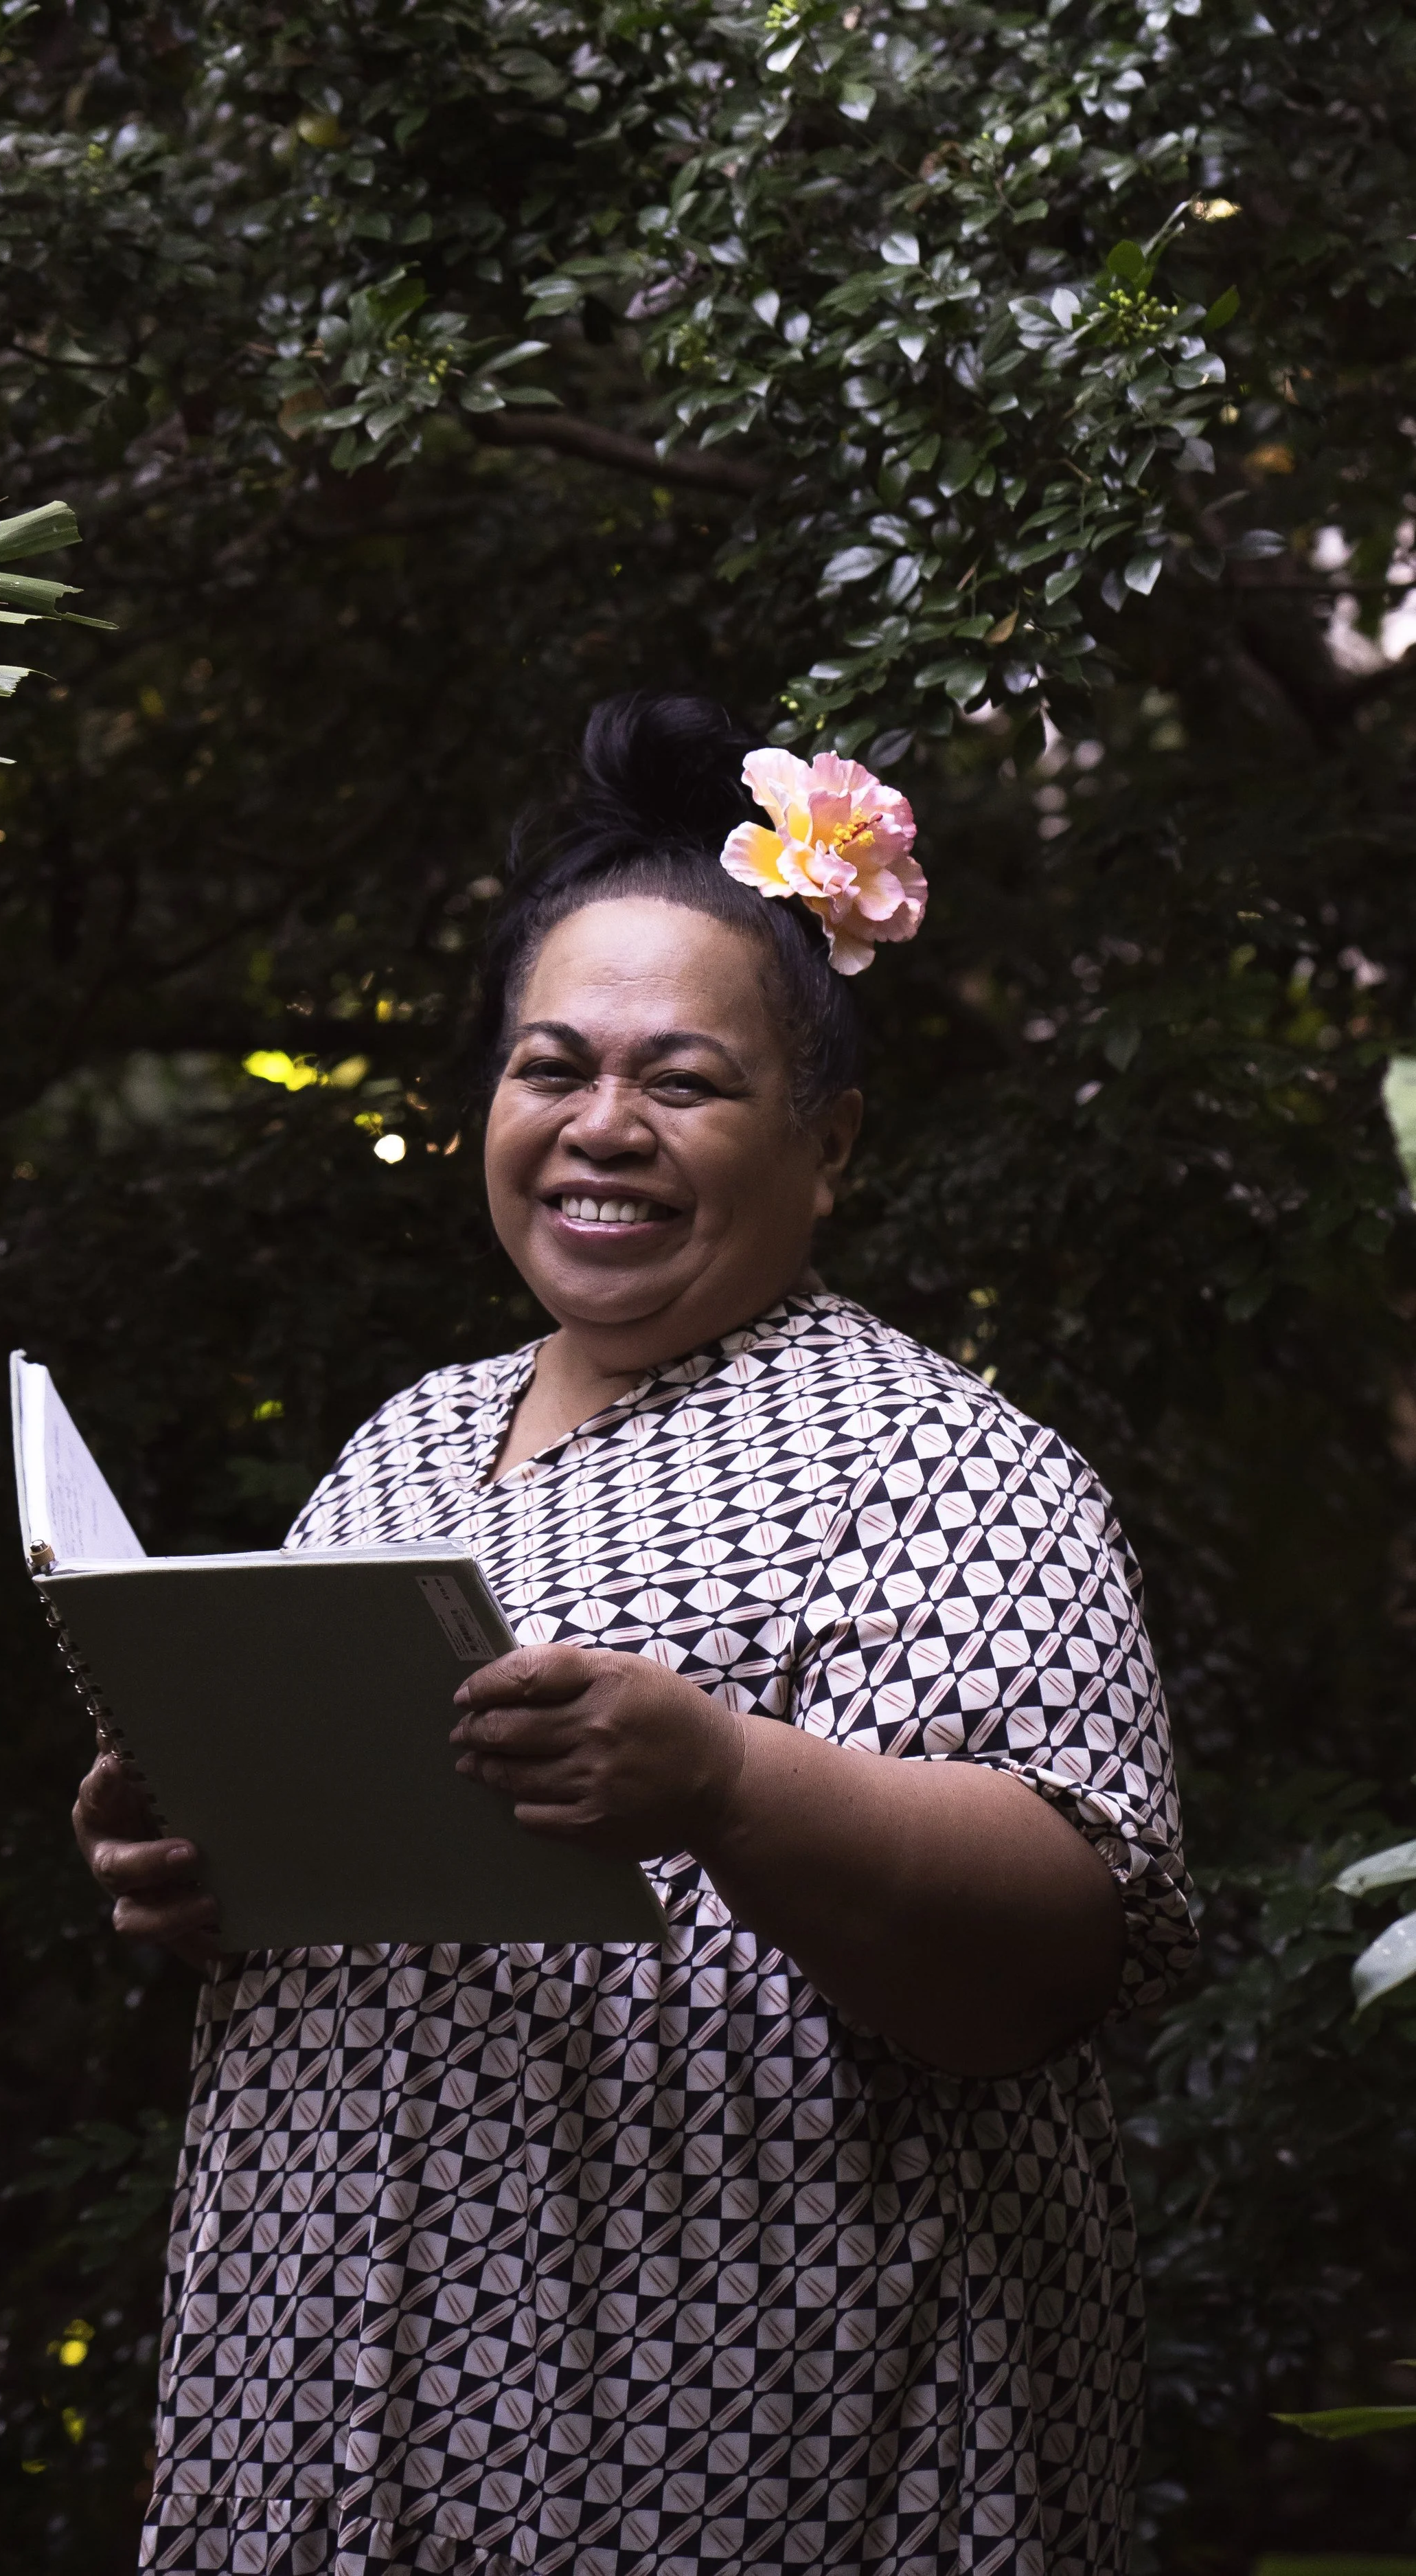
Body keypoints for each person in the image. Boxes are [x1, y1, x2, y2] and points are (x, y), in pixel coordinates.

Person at [74, 692, 1196, 2576]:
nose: (602, 1126)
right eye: (549, 1066)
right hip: (332, 2414)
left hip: (758, 2439)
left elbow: (1061, 1942)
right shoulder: (407, 1438)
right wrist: (194, 1847)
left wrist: (725, 1780)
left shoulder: (937, 1462)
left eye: (682, 1078)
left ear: (822, 1141)